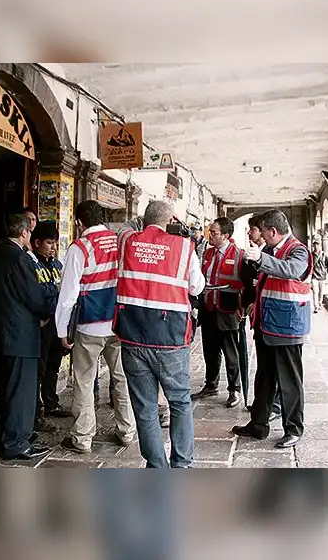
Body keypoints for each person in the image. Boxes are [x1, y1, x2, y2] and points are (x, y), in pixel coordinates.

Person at [114, 200, 205, 468]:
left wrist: (141, 223)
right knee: (179, 402)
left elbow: (126, 228)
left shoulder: (127, 241)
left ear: (143, 220)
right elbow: (197, 288)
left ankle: (157, 467)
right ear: (170, 221)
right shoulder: (184, 247)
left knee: (145, 408)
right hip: (170, 340)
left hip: (133, 336)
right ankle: (182, 464)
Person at [55, 200, 138, 454]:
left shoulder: (80, 247)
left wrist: (62, 330)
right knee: (122, 379)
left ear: (79, 223)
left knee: (84, 381)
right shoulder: (119, 242)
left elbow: (68, 294)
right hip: (117, 324)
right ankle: (127, 431)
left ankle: (82, 438)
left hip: (89, 326)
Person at [233, 210, 312, 448]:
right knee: (264, 379)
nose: (262, 239)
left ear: (273, 231)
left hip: (288, 327)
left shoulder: (299, 251)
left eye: (264, 233)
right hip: (267, 325)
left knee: (289, 382)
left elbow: (290, 270)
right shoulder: (269, 250)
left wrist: (260, 260)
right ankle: (258, 425)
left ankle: (294, 428)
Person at [0, 212, 58, 461]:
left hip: (6, 331)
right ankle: (17, 442)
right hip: (20, 333)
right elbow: (33, 295)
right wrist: (48, 311)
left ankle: (7, 434)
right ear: (25, 233)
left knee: (9, 387)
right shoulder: (18, 257)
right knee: (21, 391)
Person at [192, 217, 245, 407]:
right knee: (210, 350)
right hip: (209, 309)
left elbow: (245, 285)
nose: (210, 235)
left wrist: (243, 308)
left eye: (214, 232)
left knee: (231, 352)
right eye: (210, 231)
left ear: (226, 236)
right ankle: (211, 384)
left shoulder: (240, 255)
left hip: (228, 311)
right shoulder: (207, 253)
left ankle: (234, 389)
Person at [239, 215, 282, 420]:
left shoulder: (270, 255)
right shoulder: (256, 253)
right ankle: (262, 404)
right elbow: (250, 282)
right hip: (258, 314)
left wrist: (257, 303)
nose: (250, 233)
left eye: (253, 229)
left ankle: (274, 404)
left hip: (272, 317)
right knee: (264, 367)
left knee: (275, 365)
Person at [29, 221, 71, 423]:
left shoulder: (56, 265)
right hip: (42, 323)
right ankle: (36, 411)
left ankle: (51, 403)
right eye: (48, 243)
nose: (53, 247)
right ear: (36, 242)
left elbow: (65, 288)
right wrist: (54, 290)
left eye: (55, 243)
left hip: (57, 323)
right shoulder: (31, 263)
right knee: (40, 367)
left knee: (54, 365)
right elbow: (37, 293)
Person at [310, 240, 328, 313]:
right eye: (315, 245)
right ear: (313, 246)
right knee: (315, 292)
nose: (316, 246)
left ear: (320, 246)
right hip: (314, 277)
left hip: (322, 276)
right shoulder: (311, 255)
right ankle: (316, 306)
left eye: (317, 245)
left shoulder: (324, 255)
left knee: (321, 293)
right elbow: (309, 266)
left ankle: (319, 304)